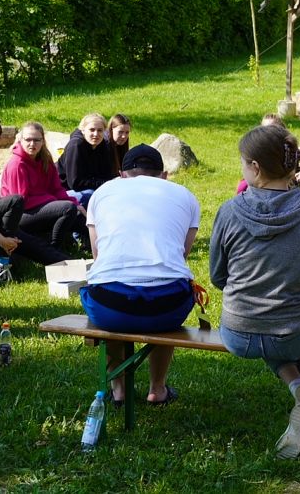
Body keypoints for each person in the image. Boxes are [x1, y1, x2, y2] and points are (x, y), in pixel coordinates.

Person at [210, 125, 300, 460]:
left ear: (255, 168)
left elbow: (217, 276)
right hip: (291, 334)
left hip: (237, 332)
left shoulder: (229, 211)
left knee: (276, 325)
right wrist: (294, 301)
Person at [80, 144, 200, 406]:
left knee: (106, 292)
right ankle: (157, 388)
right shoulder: (185, 195)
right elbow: (182, 255)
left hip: (109, 304)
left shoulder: (102, 193)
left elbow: (97, 255)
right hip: (168, 306)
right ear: (164, 175)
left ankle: (119, 388)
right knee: (170, 298)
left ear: (121, 174)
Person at [0, 115, 69, 281]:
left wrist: (7, 233)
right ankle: (1, 258)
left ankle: (71, 265)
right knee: (16, 201)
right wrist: (2, 240)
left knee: (35, 246)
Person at [1, 122, 86, 252]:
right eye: (28, 139)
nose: (32, 144)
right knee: (67, 209)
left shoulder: (45, 159)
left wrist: (75, 203)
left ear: (42, 141)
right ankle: (53, 250)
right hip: (21, 215)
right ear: (20, 140)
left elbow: (56, 188)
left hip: (41, 207)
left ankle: (96, 247)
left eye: (36, 140)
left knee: (79, 212)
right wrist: (52, 199)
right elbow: (21, 203)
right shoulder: (17, 164)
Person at [57, 113, 115, 204]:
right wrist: (106, 183)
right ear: (83, 130)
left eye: (100, 130)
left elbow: (107, 173)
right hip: (62, 190)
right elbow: (75, 183)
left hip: (86, 186)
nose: (96, 134)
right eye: (92, 130)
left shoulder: (102, 144)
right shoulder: (76, 145)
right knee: (91, 195)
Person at [236, 114, 287, 195]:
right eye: (263, 128)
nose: (266, 132)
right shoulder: (255, 147)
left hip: (278, 186)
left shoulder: (287, 149)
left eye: (271, 129)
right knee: (242, 186)